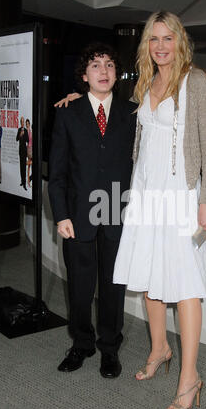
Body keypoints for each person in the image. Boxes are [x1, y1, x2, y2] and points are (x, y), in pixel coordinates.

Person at [113, 11, 206, 409]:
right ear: (147, 45)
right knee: (148, 273)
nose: (160, 46)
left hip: (181, 194)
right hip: (146, 191)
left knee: (186, 284)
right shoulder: (147, 81)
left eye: (167, 38)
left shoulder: (198, 81)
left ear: (180, 40)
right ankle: (160, 347)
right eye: (153, 39)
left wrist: (205, 201)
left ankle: (189, 377)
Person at [49, 43, 137, 377]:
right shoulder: (68, 112)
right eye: (96, 65)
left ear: (117, 73)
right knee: (80, 286)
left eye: (110, 65)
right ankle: (82, 343)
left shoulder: (132, 113)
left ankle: (110, 348)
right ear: (84, 75)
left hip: (117, 213)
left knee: (114, 287)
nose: (104, 71)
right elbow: (57, 172)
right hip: (77, 217)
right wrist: (61, 215)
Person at [16, 116, 29, 190]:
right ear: (20, 122)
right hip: (20, 151)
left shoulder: (26, 131)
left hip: (24, 150)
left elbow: (27, 140)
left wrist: (24, 134)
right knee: (21, 167)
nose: (22, 122)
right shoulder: (18, 130)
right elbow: (16, 139)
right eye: (21, 121)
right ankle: (22, 181)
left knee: (24, 167)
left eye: (22, 121)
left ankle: (24, 183)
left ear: (24, 122)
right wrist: (20, 135)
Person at [25, 119, 32, 187]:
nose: (27, 124)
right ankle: (28, 181)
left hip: (31, 148)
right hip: (28, 149)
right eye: (26, 123)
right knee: (29, 166)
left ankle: (29, 180)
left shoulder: (30, 131)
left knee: (30, 165)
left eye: (28, 123)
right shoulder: (26, 131)